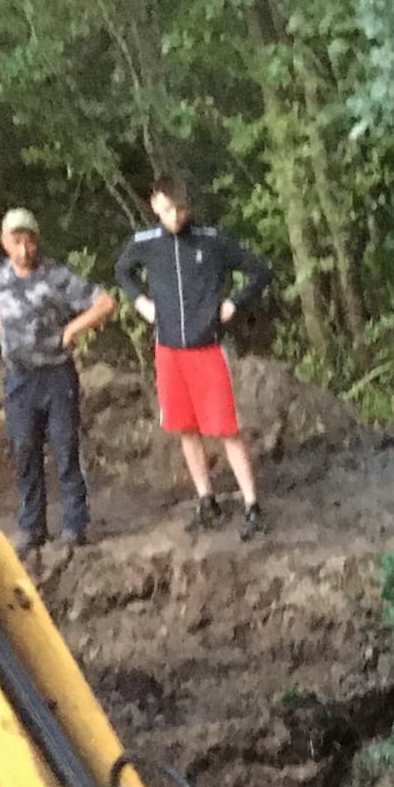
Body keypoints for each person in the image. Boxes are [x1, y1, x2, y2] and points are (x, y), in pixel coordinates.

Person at [113, 177, 274, 540]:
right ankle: (206, 499)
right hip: (168, 349)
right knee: (185, 427)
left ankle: (252, 504)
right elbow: (122, 271)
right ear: (155, 205)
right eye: (168, 209)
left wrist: (233, 303)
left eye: (181, 209)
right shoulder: (146, 244)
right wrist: (141, 303)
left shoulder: (210, 240)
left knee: (226, 428)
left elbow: (260, 270)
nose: (175, 217)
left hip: (206, 347)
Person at [0, 208, 116, 553]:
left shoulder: (55, 277)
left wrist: (72, 329)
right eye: (16, 242)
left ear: (37, 242)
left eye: (29, 242)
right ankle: (31, 526)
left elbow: (104, 302)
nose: (23, 250)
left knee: (65, 447)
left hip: (56, 375)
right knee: (24, 451)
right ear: (5, 242)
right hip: (19, 378)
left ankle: (74, 524)